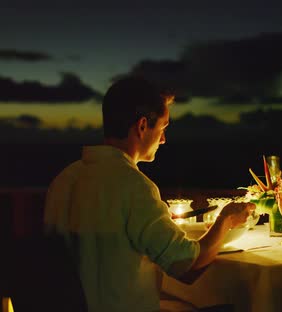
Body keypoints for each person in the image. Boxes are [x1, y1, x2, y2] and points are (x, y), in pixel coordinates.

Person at [44, 76, 254, 312]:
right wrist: (225, 221)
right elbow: (187, 267)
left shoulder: (63, 179)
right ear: (142, 126)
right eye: (163, 128)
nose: (163, 140)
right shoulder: (134, 186)